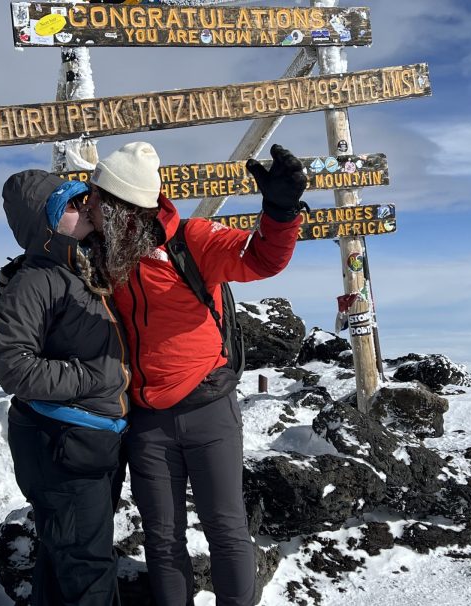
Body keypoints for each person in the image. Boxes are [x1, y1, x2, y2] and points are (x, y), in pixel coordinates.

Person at [85, 141, 306, 606]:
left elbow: (261, 258)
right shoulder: (102, 255)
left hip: (209, 410)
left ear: (122, 206)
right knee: (162, 539)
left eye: (97, 198)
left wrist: (280, 213)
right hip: (147, 420)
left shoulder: (193, 240)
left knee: (226, 529)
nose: (90, 205)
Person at [0, 169, 131, 605]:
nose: (85, 207)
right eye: (72, 204)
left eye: (84, 199)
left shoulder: (82, 270)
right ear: (47, 220)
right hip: (61, 442)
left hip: (88, 440)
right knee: (87, 571)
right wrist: (93, 378)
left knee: (65, 559)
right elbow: (13, 366)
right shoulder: (38, 278)